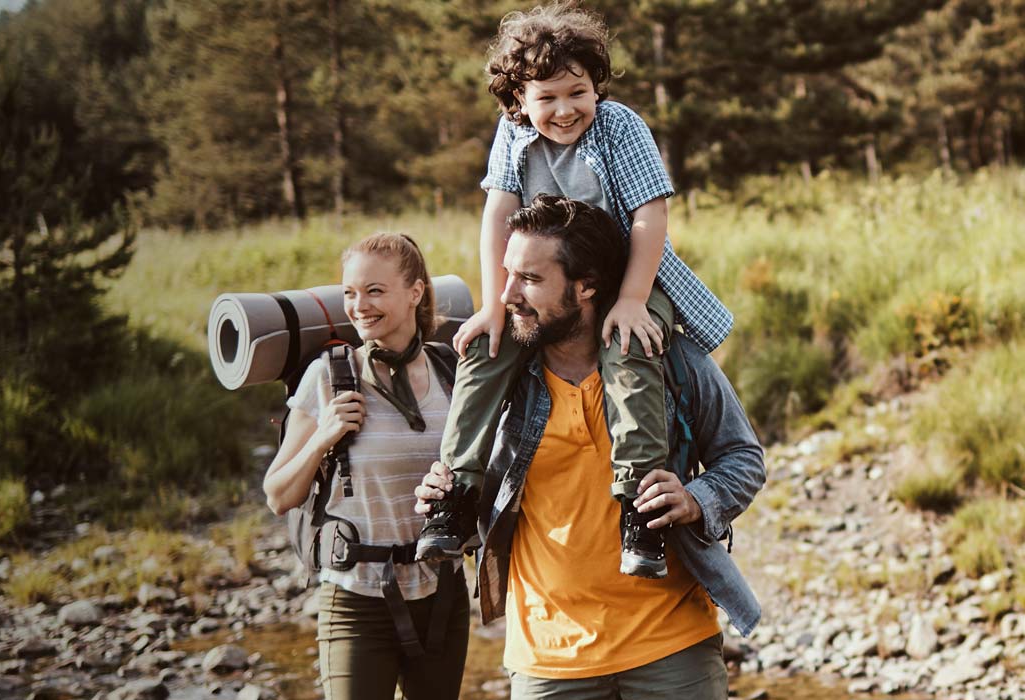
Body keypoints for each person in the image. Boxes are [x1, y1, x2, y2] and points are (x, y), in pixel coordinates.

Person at [418, 1, 737, 579]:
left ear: (597, 85)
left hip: (630, 276)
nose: (565, 111)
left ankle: (639, 500)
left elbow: (649, 215)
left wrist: (634, 299)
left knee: (628, 353)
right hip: (541, 284)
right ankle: (458, 491)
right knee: (484, 353)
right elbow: (498, 213)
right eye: (547, 99)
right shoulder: (513, 136)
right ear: (519, 100)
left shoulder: (620, 127)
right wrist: (495, 303)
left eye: (578, 92)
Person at [416, 195, 764, 700]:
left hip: (672, 645)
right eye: (507, 273)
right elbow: (472, 489)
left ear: (588, 286)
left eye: (531, 280)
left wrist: (696, 499)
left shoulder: (670, 361)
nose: (507, 294)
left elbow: (744, 457)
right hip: (547, 659)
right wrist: (441, 491)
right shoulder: (501, 375)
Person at [263, 233, 467, 700]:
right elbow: (278, 495)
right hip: (356, 600)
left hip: (442, 596)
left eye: (375, 291)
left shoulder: (452, 374)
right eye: (350, 293)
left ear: (415, 292)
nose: (359, 306)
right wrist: (322, 436)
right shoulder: (328, 378)